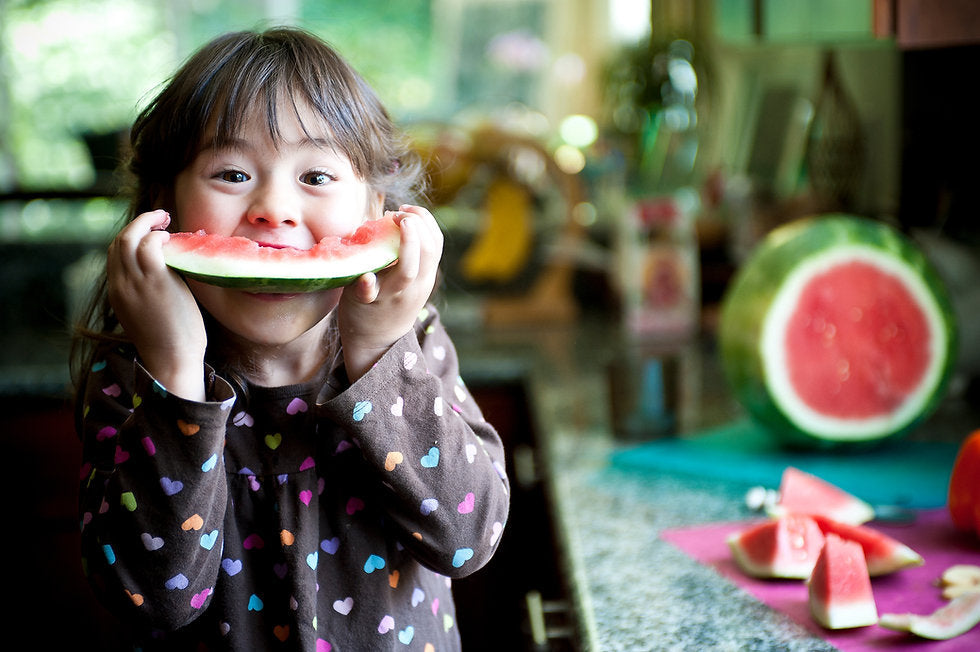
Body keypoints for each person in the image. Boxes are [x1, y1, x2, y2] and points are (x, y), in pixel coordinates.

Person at [71, 27, 510, 651]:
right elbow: (155, 597)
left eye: (317, 176)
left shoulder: (416, 346)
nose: (273, 209)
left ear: (374, 207)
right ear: (164, 204)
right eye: (231, 172)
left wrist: (380, 358)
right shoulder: (130, 376)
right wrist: (175, 372)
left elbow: (467, 541)